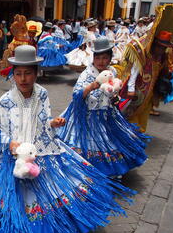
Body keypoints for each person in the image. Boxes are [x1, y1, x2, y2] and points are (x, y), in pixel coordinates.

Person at [0, 45, 136, 233]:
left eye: (28, 73)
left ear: (36, 73)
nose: (23, 79)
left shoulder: (42, 93)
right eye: (18, 74)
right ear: (13, 76)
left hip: (41, 146)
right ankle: (15, 228)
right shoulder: (5, 101)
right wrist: (10, 143)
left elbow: (43, 120)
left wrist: (53, 123)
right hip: (14, 151)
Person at [58, 37, 148, 178]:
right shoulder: (87, 74)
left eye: (105, 58)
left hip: (107, 114)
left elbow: (114, 90)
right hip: (88, 116)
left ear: (110, 58)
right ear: (93, 58)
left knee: (109, 140)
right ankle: (90, 171)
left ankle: (111, 170)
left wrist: (115, 98)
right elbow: (76, 95)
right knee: (90, 143)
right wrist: (93, 85)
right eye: (98, 58)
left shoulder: (112, 71)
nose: (101, 61)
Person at [120, 30, 173, 132]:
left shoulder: (162, 58)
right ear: (154, 44)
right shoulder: (144, 55)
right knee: (132, 113)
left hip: (150, 93)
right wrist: (131, 88)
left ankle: (140, 132)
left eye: (163, 48)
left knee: (144, 114)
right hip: (138, 92)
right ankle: (130, 133)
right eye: (159, 46)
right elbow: (134, 71)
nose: (161, 50)